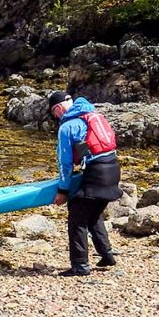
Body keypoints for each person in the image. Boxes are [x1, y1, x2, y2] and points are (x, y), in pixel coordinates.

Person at [49, 91, 123, 277]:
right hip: (113, 168)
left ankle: (80, 266)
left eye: (53, 113)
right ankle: (107, 255)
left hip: (97, 173)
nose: (55, 118)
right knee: (93, 211)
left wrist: (62, 191)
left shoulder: (67, 126)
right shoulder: (93, 115)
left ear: (58, 108)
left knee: (77, 217)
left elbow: (65, 163)